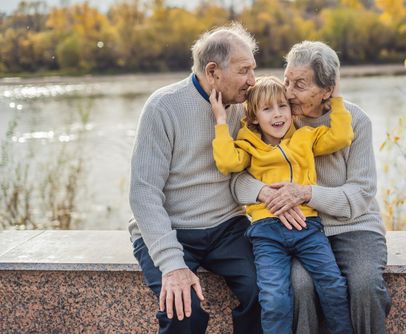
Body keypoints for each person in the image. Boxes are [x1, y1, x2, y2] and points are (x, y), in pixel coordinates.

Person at [231, 41, 392, 334]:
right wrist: (264, 193)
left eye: (300, 85)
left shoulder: (355, 121)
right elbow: (238, 178)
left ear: (327, 90)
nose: (289, 92)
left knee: (365, 286)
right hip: (299, 227)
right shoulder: (277, 117)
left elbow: (361, 194)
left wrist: (306, 193)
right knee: (299, 287)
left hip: (352, 226)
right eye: (288, 80)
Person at [128, 23, 262, 334]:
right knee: (182, 310)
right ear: (214, 72)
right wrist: (172, 263)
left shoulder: (245, 107)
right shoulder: (164, 106)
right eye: (244, 71)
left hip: (228, 228)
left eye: (253, 70)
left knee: (268, 290)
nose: (252, 81)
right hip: (171, 228)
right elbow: (143, 193)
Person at [210, 75, 354, 334]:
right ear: (254, 117)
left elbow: (342, 137)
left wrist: (336, 99)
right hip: (267, 233)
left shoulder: (305, 138)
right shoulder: (248, 146)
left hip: (307, 227)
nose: (277, 115)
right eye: (267, 109)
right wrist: (221, 121)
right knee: (275, 299)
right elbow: (227, 163)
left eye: (282, 106)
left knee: (333, 287)